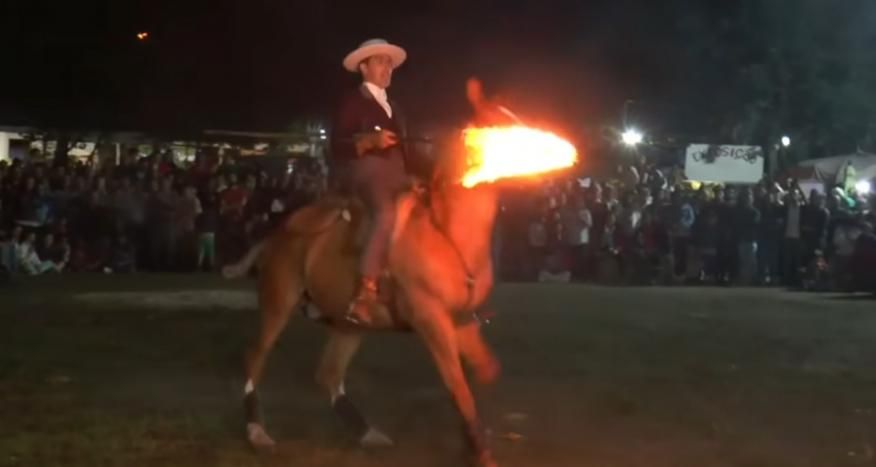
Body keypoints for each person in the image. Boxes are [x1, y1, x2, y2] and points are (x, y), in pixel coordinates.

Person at [330, 38, 410, 325]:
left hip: (398, 172)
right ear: (363, 68)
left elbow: (409, 150)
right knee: (386, 212)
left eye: (389, 62)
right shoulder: (353, 101)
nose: (387, 67)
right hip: (365, 171)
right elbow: (337, 145)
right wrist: (368, 141)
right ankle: (365, 291)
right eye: (380, 61)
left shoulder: (396, 109)